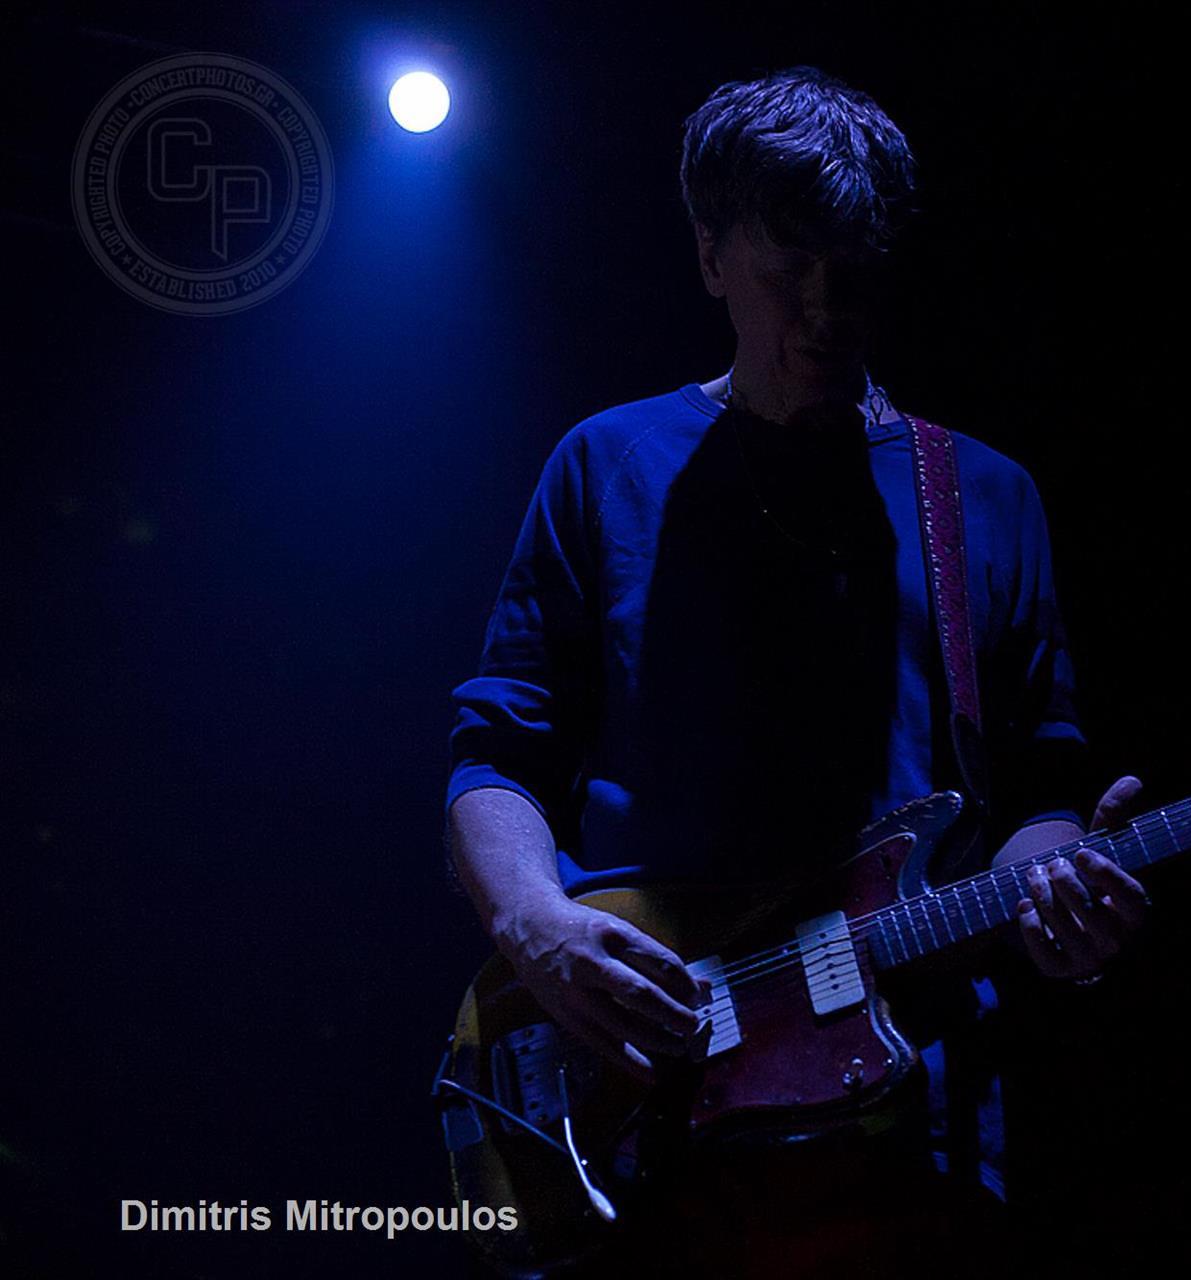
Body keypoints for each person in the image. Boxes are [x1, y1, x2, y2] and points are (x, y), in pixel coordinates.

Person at [442, 65, 1149, 1275]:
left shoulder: (982, 496)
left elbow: (1040, 781)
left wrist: (1054, 881)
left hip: (902, 1119)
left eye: (856, 266)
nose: (829, 307)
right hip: (649, 1110)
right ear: (711, 256)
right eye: (790, 265)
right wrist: (534, 920)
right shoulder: (604, 464)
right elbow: (498, 751)